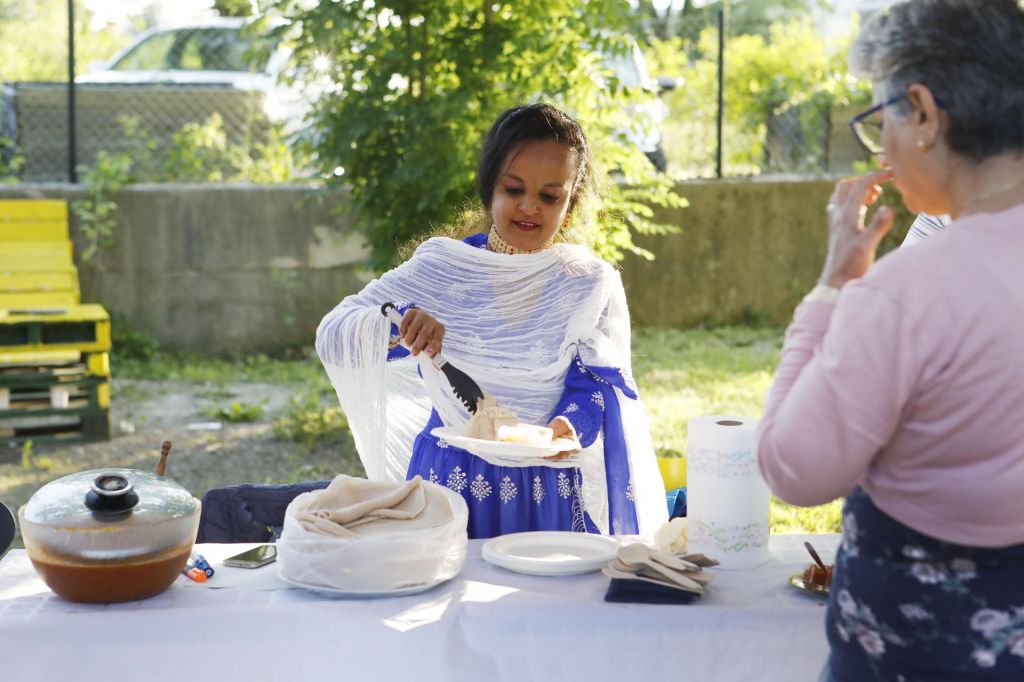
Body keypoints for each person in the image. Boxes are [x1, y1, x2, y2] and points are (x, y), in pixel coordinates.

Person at [756, 1, 1024, 680]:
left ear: (925, 113)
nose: (883, 151)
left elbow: (794, 469)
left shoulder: (903, 293)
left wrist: (832, 288)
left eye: (882, 123)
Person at [316, 103, 666, 539]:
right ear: (489, 189)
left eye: (549, 196)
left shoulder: (587, 283)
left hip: (546, 483)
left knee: (543, 602)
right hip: (453, 482)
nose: (529, 207)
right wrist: (399, 323)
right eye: (514, 188)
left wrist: (564, 430)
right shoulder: (445, 269)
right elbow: (333, 332)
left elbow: (596, 383)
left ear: (570, 204)